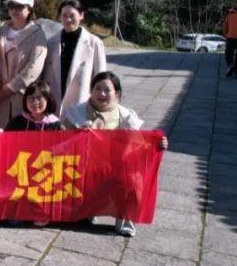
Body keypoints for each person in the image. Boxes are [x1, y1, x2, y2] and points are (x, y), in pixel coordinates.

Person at [63, 71, 169, 237]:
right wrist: (76, 136)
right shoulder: (76, 113)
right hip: (83, 165)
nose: (101, 94)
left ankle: (125, 218)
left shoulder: (126, 117)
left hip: (115, 167)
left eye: (107, 90)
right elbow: (61, 141)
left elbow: (139, 145)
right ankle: (85, 211)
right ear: (91, 90)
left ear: (117, 93)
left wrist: (158, 144)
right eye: (97, 88)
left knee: (133, 179)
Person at [43, 0, 107, 116]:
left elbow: (101, 78)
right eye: (64, 15)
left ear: (81, 15)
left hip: (81, 102)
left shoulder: (94, 43)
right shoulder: (51, 42)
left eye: (72, 15)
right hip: (54, 102)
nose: (68, 19)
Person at [0, 0, 48, 124]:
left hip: (23, 95)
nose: (14, 10)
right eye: (11, 6)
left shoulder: (37, 34)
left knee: (21, 130)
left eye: (20, 6)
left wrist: (11, 87)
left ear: (29, 9)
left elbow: (34, 67)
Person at [223, 0, 237, 77]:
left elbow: (225, 24)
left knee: (229, 53)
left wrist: (225, 34)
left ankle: (230, 65)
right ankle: (236, 71)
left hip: (231, 35)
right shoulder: (231, 12)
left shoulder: (230, 12)